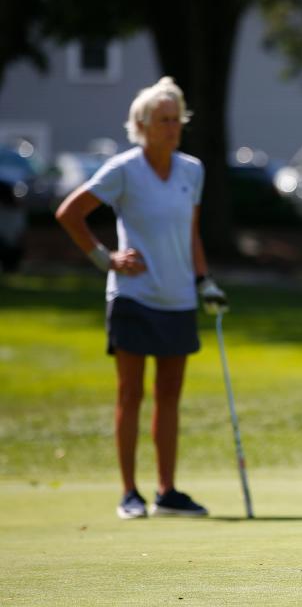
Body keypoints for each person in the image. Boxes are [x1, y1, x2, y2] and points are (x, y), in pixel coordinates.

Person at [56, 76, 227, 519]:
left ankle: (166, 492)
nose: (172, 127)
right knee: (130, 394)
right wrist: (105, 259)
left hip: (178, 299)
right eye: (162, 120)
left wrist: (204, 280)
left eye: (176, 120)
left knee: (169, 394)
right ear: (141, 124)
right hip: (132, 296)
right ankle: (129, 493)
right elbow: (70, 213)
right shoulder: (123, 170)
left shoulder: (192, 169)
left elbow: (190, 234)